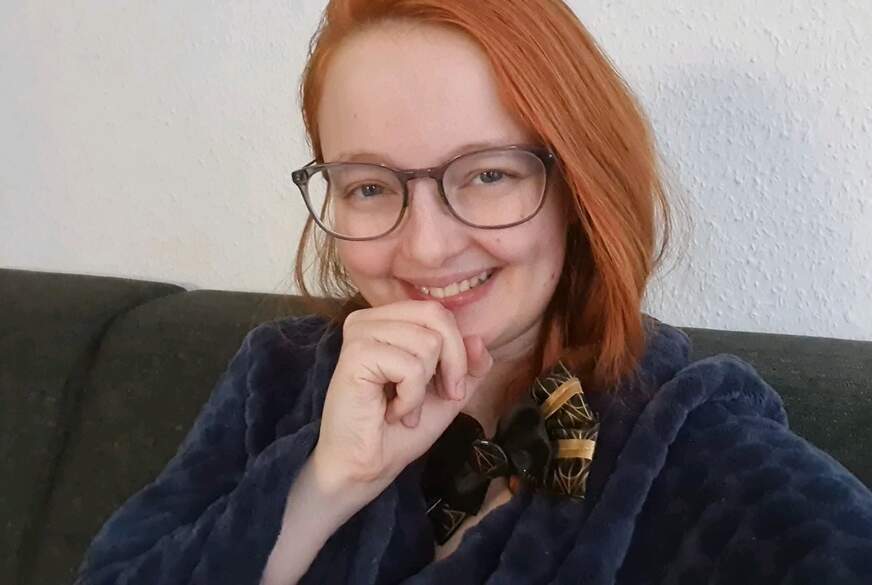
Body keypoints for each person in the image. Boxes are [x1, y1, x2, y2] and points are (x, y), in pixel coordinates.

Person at [76, 0, 872, 584]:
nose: (425, 246)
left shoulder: (697, 440)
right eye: (368, 187)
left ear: (579, 187)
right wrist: (322, 485)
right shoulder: (277, 377)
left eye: (488, 175)